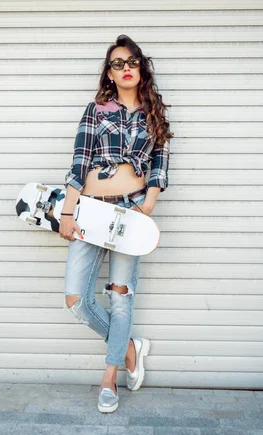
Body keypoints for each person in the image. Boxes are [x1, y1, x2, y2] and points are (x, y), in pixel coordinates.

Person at [59, 34, 173, 413]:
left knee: (120, 298)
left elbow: (159, 163)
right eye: (116, 63)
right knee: (77, 299)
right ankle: (127, 347)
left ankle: (109, 378)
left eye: (131, 62)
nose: (125, 69)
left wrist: (149, 204)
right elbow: (80, 160)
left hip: (130, 215)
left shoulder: (154, 113)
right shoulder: (97, 110)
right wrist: (67, 211)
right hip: (91, 211)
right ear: (109, 72)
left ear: (141, 68)